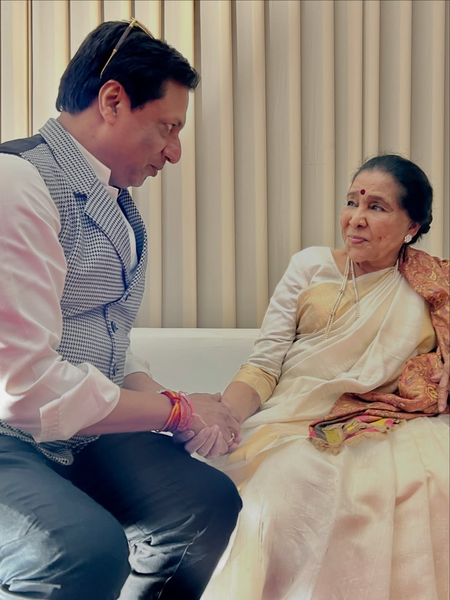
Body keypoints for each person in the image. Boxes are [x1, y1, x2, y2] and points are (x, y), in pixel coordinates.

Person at [0, 19, 242, 600]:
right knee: (79, 550)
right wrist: (175, 411)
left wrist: (168, 401)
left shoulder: (113, 199)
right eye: (168, 127)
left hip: (71, 427)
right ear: (112, 101)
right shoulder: (17, 183)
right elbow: (23, 388)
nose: (175, 152)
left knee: (205, 505)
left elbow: (105, 333)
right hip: (12, 428)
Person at [194, 155, 450, 600]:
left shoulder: (434, 284)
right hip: (296, 421)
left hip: (393, 421)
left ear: (412, 225)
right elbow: (264, 364)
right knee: (282, 492)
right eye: (352, 202)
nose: (356, 218)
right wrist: (225, 416)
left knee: (429, 482)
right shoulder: (310, 266)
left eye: (376, 207)